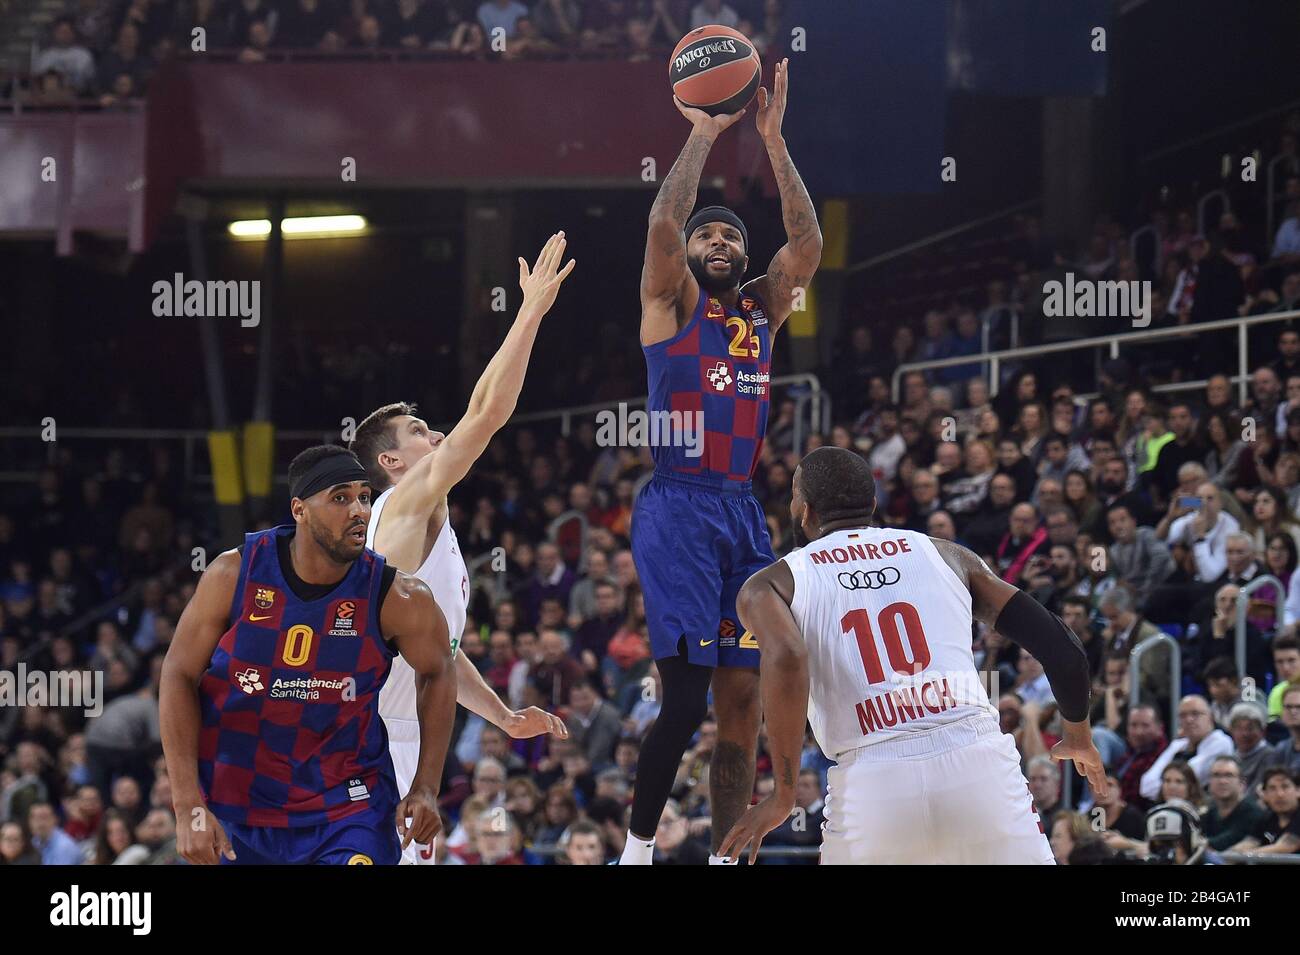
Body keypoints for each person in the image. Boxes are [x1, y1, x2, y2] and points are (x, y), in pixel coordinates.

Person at [622, 58, 822, 865]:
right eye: (708, 233)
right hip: (676, 502)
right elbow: (662, 230)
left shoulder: (760, 313)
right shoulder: (670, 305)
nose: (714, 241)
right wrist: (703, 134)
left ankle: (723, 856)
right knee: (686, 695)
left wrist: (772, 141)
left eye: (728, 235)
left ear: (742, 257)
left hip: (740, 507)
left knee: (743, 702)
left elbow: (806, 243)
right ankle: (636, 852)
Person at [719, 447, 1103, 864]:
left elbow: (788, 659)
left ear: (804, 509)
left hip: (873, 782)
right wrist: (1078, 736)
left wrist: (784, 792)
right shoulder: (948, 555)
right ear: (872, 504)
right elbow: (1063, 648)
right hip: (978, 767)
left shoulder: (770, 585)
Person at [349, 234, 571, 863]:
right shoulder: (403, 502)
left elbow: (439, 652)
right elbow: (488, 412)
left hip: (404, 737)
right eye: (419, 431)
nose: (436, 432)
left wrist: (500, 716)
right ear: (391, 462)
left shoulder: (417, 524)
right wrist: (530, 314)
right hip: (376, 741)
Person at [159, 446, 456, 865]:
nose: (359, 511)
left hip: (348, 807)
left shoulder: (398, 596)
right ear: (299, 509)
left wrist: (427, 784)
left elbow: (439, 670)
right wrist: (187, 803)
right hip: (238, 802)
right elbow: (177, 674)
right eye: (340, 498)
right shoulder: (233, 574)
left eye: (364, 497)